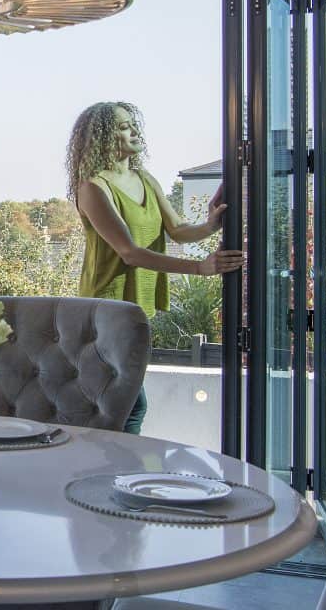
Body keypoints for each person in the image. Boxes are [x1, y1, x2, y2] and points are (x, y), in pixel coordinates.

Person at [66, 102, 244, 434]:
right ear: (101, 136)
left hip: (137, 307)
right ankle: (116, 473)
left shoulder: (145, 179)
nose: (133, 131)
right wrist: (201, 268)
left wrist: (210, 224)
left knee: (127, 403)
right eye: (123, 126)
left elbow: (177, 230)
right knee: (130, 403)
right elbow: (129, 252)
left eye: (133, 124)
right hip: (105, 307)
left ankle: (115, 471)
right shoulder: (93, 188)